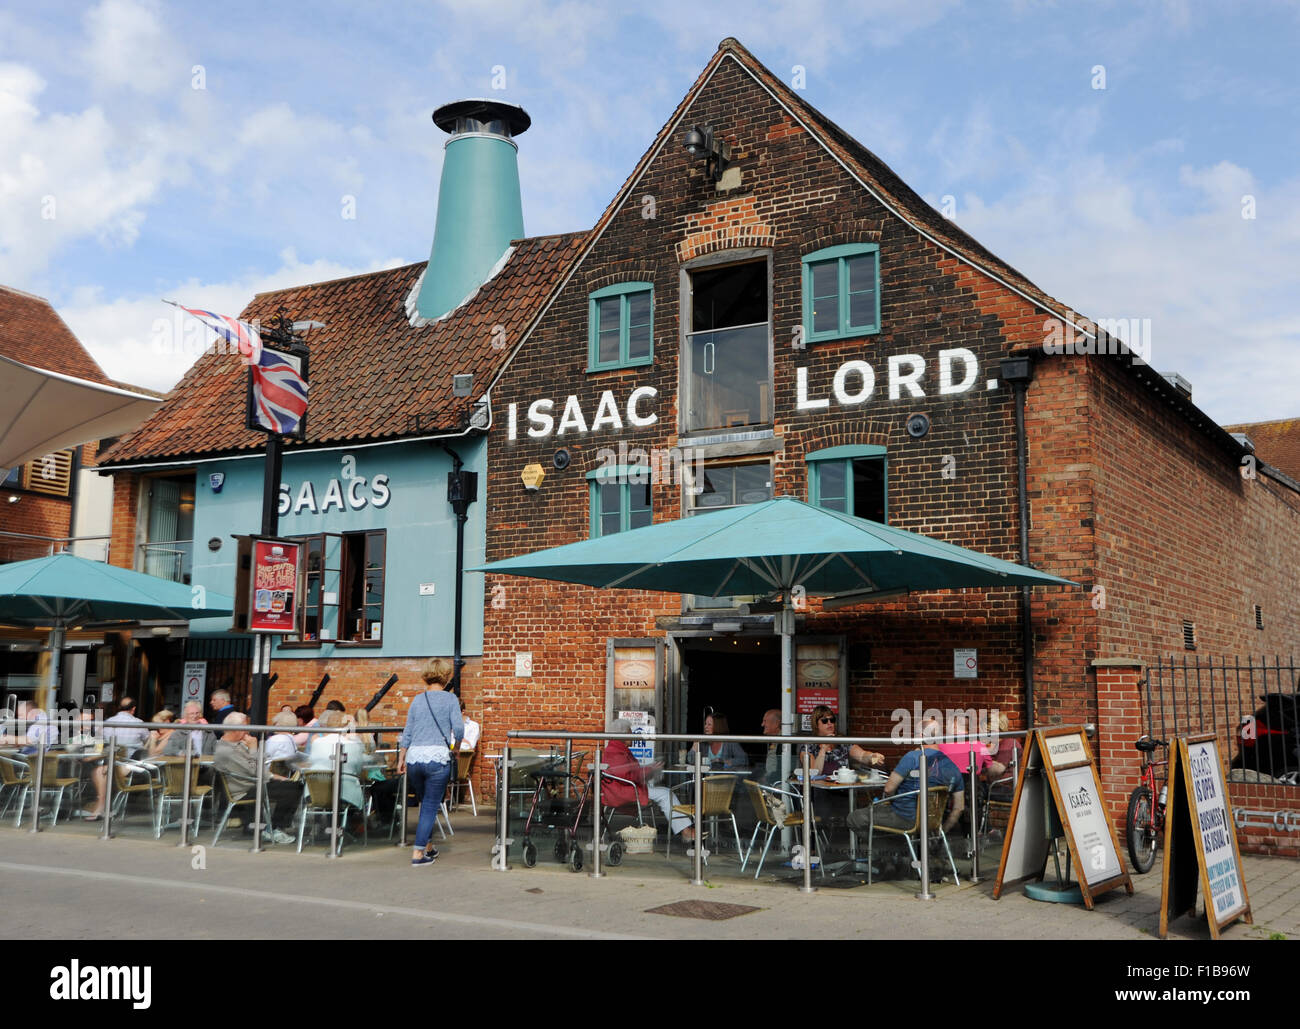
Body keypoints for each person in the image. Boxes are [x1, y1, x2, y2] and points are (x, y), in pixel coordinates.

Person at [398, 658, 463, 867]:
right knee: (429, 806)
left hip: (414, 758)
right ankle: (418, 854)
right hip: (437, 757)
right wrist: (457, 747)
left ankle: (427, 846)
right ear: (446, 676)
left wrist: (401, 758)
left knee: (424, 802)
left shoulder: (418, 700)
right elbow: (459, 729)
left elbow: (407, 731)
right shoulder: (451, 700)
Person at [601, 718, 698, 844]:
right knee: (666, 794)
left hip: (624, 790)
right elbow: (628, 776)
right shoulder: (616, 752)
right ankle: (686, 831)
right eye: (630, 733)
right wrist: (650, 769)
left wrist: (649, 769)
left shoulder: (617, 750)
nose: (633, 736)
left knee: (665, 792)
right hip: (624, 792)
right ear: (623, 736)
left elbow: (628, 773)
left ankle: (685, 830)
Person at [846, 737, 965, 836]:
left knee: (854, 818)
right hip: (932, 821)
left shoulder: (912, 757)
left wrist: (891, 800)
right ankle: (903, 851)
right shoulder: (953, 767)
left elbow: (889, 789)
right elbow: (959, 807)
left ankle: (895, 852)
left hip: (904, 818)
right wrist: (942, 831)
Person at [212, 713, 301, 844]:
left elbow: (260, 763)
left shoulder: (237, 744)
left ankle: (274, 827)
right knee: (293, 789)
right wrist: (254, 748)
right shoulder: (226, 750)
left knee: (294, 785)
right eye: (245, 727)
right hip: (245, 789)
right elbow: (254, 770)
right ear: (236, 729)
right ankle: (275, 828)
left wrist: (272, 775)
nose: (247, 731)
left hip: (253, 783)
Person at [798, 705, 884, 777]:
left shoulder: (842, 742)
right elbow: (815, 772)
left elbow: (861, 755)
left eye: (832, 720)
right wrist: (823, 748)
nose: (829, 723)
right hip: (818, 792)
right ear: (816, 724)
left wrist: (874, 757)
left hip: (842, 791)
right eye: (824, 720)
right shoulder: (808, 746)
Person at [306, 709, 366, 812]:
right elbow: (359, 770)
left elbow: (311, 762)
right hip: (345, 793)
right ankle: (345, 826)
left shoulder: (317, 742)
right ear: (346, 726)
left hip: (316, 792)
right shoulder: (353, 745)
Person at [760, 708, 783, 784]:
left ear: (776, 724)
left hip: (779, 787)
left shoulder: (785, 741)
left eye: (765, 721)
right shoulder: (772, 739)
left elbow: (783, 769)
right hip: (771, 783)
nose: (762, 724)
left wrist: (767, 779)